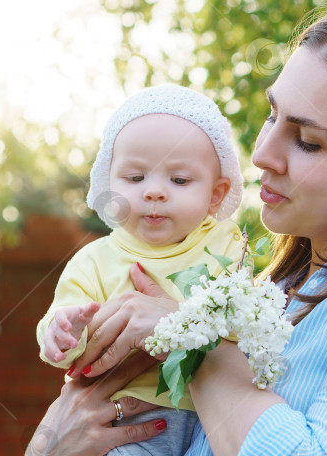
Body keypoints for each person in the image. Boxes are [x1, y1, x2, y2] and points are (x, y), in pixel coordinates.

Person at [28, 6, 327, 456]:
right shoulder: (271, 292)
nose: (260, 154)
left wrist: (191, 338)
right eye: (271, 114)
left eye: (306, 141)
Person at [34, 84, 246, 456]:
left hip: (215, 410)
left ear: (216, 193)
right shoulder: (94, 260)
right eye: (135, 178)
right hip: (127, 420)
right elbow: (66, 337)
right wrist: (64, 333)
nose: (154, 192)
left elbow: (242, 323)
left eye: (179, 180)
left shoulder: (227, 245)